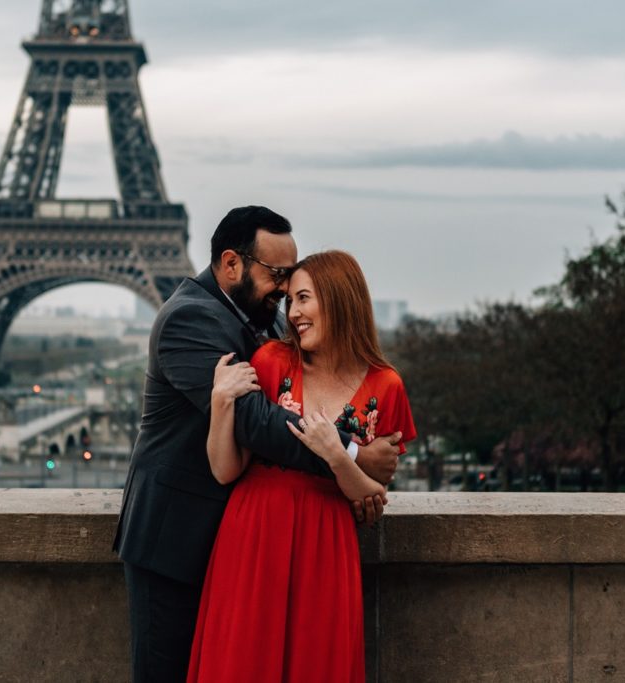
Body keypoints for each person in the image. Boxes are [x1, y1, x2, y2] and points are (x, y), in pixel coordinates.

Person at [113, 207, 404, 683]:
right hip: (175, 541)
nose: (286, 289)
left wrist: (356, 476)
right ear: (232, 264)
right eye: (278, 274)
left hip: (241, 541)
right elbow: (255, 420)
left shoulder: (260, 320)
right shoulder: (190, 318)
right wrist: (351, 455)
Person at [187, 250, 416, 683]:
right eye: (291, 300)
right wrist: (220, 403)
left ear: (339, 298)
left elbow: (372, 493)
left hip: (325, 547)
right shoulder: (272, 362)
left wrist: (336, 452)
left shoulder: (387, 387)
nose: (293, 313)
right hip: (253, 536)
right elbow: (226, 469)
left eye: (304, 298)